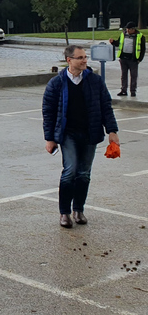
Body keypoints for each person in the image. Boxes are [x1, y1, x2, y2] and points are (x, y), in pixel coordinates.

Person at [42, 45, 119, 228]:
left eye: (85, 57)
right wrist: (49, 138)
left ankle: (78, 210)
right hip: (68, 133)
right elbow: (48, 112)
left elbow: (106, 106)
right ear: (69, 60)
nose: (85, 60)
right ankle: (64, 213)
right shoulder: (57, 83)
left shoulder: (95, 81)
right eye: (80, 58)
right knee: (70, 171)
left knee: (84, 173)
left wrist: (112, 131)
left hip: (89, 132)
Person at [109, 21, 145, 96]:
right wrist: (113, 42)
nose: (127, 30)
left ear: (133, 29)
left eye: (129, 29)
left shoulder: (140, 36)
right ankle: (123, 90)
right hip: (123, 58)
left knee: (133, 76)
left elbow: (142, 49)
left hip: (133, 59)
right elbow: (119, 43)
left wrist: (139, 59)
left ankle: (133, 91)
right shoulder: (123, 34)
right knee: (124, 75)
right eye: (127, 29)